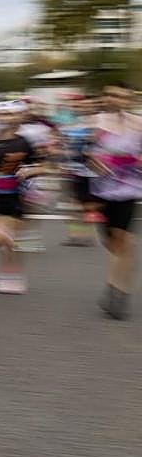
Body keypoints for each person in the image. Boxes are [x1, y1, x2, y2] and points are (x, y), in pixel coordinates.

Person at [87, 82, 142, 319]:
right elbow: (83, 155)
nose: (114, 99)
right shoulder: (95, 123)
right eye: (110, 94)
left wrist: (130, 161)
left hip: (128, 190)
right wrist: (93, 161)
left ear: (128, 100)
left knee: (123, 240)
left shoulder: (137, 124)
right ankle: (115, 285)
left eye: (120, 96)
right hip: (100, 192)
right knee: (112, 244)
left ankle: (118, 291)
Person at [0, 102, 46, 295]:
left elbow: (43, 166)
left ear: (17, 117)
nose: (5, 118)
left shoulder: (24, 142)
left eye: (9, 114)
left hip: (15, 196)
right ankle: (15, 242)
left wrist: (29, 171)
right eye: (1, 114)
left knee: (7, 245)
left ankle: (12, 276)